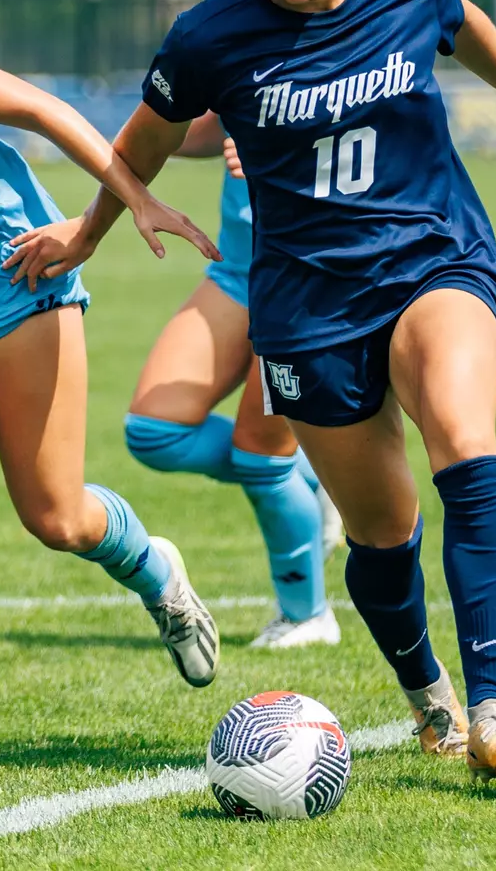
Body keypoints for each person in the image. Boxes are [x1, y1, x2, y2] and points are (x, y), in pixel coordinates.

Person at [6, 0, 496, 784]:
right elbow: (145, 135)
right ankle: (428, 693)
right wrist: (91, 227)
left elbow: (464, 23)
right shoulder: (212, 34)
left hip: (431, 258)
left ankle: (493, 707)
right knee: (381, 528)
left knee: (463, 439)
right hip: (307, 304)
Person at [0, 17, 222, 774]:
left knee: (57, 517)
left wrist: (130, 200)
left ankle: (155, 572)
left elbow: (41, 108)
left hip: (16, 275)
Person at [124, 111, 343, 649]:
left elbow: (386, 139)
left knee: (260, 458)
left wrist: (285, 155)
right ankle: (322, 478)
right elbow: (216, 125)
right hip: (236, 268)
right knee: (154, 430)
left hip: (309, 273)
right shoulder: (229, 32)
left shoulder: (346, 32)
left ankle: (307, 615)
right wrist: (150, 142)